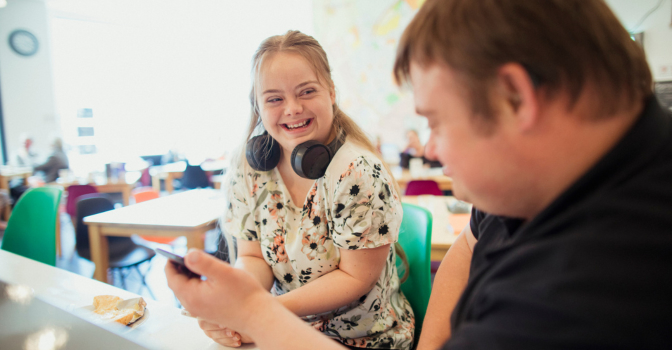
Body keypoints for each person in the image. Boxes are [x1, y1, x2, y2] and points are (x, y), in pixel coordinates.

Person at [166, 0, 672, 349]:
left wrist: (255, 313)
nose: (427, 147)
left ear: (516, 98)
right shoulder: (546, 182)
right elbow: (472, 241)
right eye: (273, 98)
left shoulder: (581, 298)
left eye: (435, 121)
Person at [189, 30, 414, 349]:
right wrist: (237, 312)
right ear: (259, 106)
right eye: (275, 99)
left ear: (331, 92)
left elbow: (355, 278)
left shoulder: (357, 170)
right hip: (282, 330)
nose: (292, 108)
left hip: (363, 338)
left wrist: (260, 314)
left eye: (306, 91)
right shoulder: (247, 166)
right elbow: (252, 256)